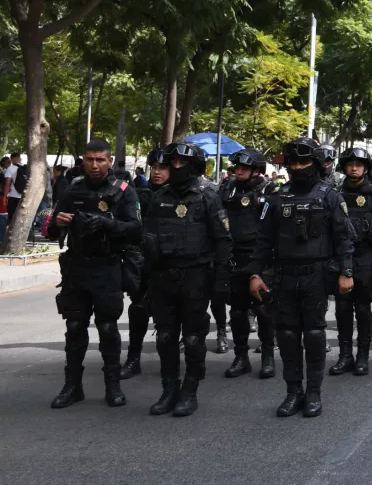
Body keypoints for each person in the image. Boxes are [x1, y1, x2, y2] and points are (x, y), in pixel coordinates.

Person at [248, 137, 354, 418]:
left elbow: (344, 238)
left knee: (315, 333)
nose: (298, 167)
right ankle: (293, 391)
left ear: (316, 164)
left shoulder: (329, 196)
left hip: (316, 276)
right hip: (284, 276)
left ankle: (314, 392)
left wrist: (346, 272)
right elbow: (262, 240)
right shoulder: (277, 197)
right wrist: (255, 274)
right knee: (287, 334)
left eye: (304, 162)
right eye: (293, 162)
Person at [45, 139, 141, 409]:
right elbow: (50, 228)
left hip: (107, 267)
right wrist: (57, 223)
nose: (95, 165)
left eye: (100, 160)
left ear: (109, 161)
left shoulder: (123, 190)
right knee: (74, 328)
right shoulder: (73, 188)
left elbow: (136, 229)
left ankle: (113, 386)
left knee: (108, 328)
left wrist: (107, 224)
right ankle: (72, 386)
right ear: (83, 161)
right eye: (90, 159)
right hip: (77, 267)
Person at [140, 142, 233, 417]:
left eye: (183, 163)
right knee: (166, 336)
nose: (177, 167)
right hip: (163, 276)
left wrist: (221, 281)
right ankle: (169, 389)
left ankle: (189, 390)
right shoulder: (159, 198)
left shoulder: (208, 197)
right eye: (174, 162)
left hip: (196, 276)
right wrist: (144, 281)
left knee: (193, 338)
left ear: (194, 166)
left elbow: (223, 241)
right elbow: (148, 239)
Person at [332, 146, 372, 377]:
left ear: (366, 168)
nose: (354, 168)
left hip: (367, 256)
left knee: (362, 308)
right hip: (341, 258)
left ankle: (362, 356)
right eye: (350, 165)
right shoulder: (335, 193)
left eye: (358, 165)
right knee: (341, 308)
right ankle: (345, 355)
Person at [219, 149, 276, 379]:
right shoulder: (227, 189)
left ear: (256, 170)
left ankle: (268, 356)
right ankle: (241, 357)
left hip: (260, 258)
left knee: (263, 310)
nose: (238, 171)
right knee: (238, 311)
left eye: (244, 168)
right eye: (236, 167)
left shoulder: (269, 191)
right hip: (234, 256)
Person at [119, 149, 168, 380]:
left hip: (173, 263)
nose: (157, 172)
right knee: (138, 309)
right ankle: (133, 358)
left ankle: (170, 362)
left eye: (163, 167)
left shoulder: (184, 196)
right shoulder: (139, 194)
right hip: (142, 261)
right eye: (154, 167)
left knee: (169, 315)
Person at [4, 151, 24, 245]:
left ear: (12, 159)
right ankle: (21, 239)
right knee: (21, 218)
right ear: (20, 158)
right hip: (24, 197)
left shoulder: (11, 168)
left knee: (12, 218)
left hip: (13, 196)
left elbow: (8, 183)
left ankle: (10, 240)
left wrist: (5, 196)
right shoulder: (26, 167)